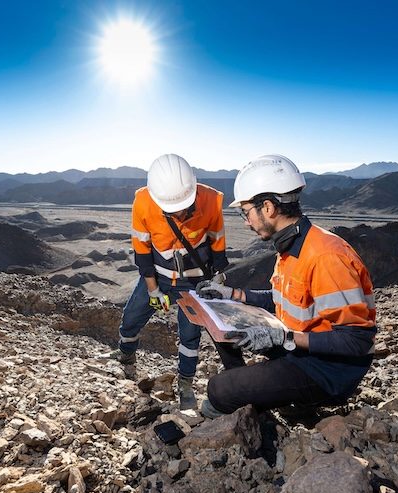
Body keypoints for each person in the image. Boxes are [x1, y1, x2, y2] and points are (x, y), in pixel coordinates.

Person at [195, 154, 376, 418]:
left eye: (246, 212)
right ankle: (253, 386)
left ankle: (247, 398)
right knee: (225, 328)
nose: (247, 222)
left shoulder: (326, 257)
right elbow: (285, 299)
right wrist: (232, 296)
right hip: (301, 347)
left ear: (267, 207)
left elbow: (356, 341)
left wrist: (285, 338)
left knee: (218, 391)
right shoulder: (292, 247)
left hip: (328, 371)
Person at [104, 154, 228, 410]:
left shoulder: (211, 199)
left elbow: (217, 241)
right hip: (158, 275)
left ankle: (185, 383)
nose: (179, 212)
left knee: (190, 335)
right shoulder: (143, 201)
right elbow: (142, 248)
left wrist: (218, 274)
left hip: (194, 281)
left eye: (183, 206)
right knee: (131, 316)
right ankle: (126, 356)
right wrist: (152, 289)